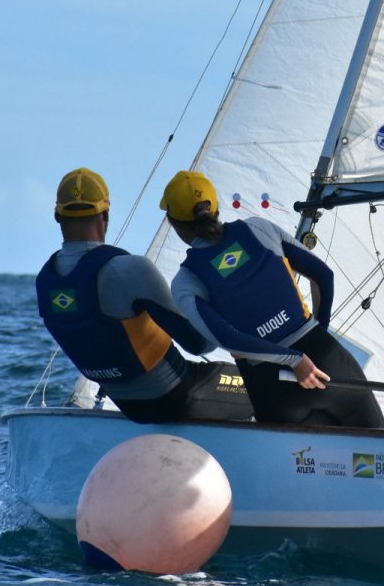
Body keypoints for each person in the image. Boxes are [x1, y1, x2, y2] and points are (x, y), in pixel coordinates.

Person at [160, 170, 384, 429]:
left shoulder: (185, 282)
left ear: (174, 224)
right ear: (216, 208)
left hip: (271, 386)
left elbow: (224, 338)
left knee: (312, 466)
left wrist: (294, 360)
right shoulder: (259, 228)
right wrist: (318, 337)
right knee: (383, 456)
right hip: (326, 360)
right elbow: (323, 276)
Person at [36, 167, 253, 423]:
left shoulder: (45, 281)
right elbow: (199, 344)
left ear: (56, 216)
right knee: (271, 383)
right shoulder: (128, 270)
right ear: (106, 214)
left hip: (126, 405)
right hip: (176, 396)